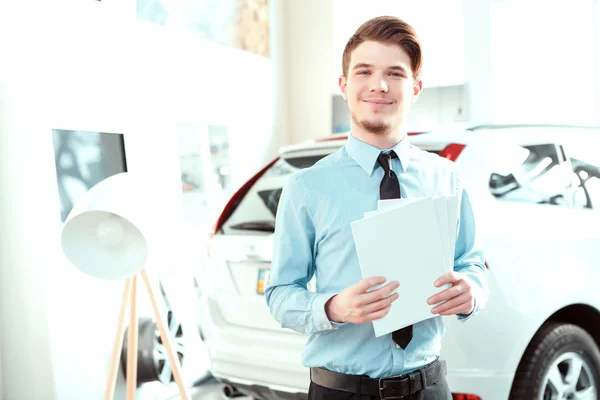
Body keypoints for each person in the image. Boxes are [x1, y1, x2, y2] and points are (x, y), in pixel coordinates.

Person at [265, 15, 489, 400]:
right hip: (340, 391)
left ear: (415, 87)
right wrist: (332, 308)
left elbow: (473, 263)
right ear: (344, 84)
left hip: (429, 387)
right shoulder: (307, 188)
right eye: (364, 71)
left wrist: (472, 291)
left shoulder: (446, 178)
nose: (379, 85)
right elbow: (280, 293)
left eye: (395, 73)